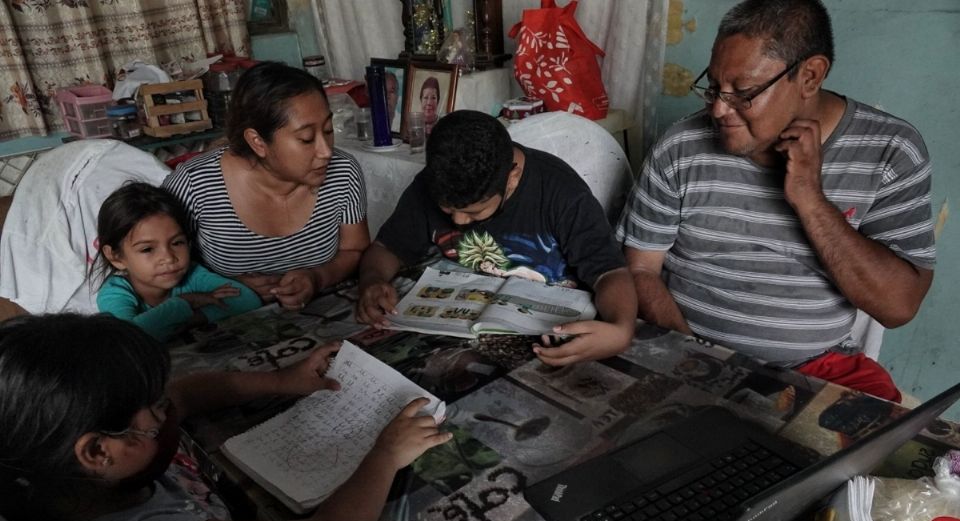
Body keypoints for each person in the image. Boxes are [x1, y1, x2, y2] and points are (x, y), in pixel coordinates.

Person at [617, 0, 935, 402]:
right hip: (690, 351)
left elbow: (897, 307)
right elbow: (640, 270)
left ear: (810, 76)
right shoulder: (681, 146)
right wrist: (701, 360)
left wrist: (810, 199)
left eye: (743, 93)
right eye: (714, 86)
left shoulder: (890, 151)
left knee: (882, 449)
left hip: (818, 365)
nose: (717, 108)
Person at [0, 313, 451, 521]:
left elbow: (188, 392)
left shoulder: (90, 443)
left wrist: (282, 380)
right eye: (155, 410)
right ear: (98, 452)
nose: (167, 408)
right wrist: (386, 455)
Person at [357, 110, 637, 366]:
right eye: (448, 209)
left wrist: (621, 329)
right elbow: (387, 247)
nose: (458, 221)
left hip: (548, 335)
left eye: (474, 211)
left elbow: (610, 272)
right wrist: (373, 280)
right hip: (458, 326)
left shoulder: (562, 194)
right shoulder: (433, 183)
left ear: (512, 177)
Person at [164, 62, 370, 311]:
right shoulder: (193, 186)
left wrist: (317, 277)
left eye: (327, 130)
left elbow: (355, 248)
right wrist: (223, 286)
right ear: (258, 142)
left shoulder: (343, 172)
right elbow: (157, 272)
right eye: (306, 139)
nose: (326, 151)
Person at [94, 183, 261, 342]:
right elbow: (132, 337)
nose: (168, 257)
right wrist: (187, 302)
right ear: (115, 257)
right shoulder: (114, 293)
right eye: (147, 249)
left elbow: (247, 300)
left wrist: (191, 319)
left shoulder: (192, 275)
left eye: (177, 243)